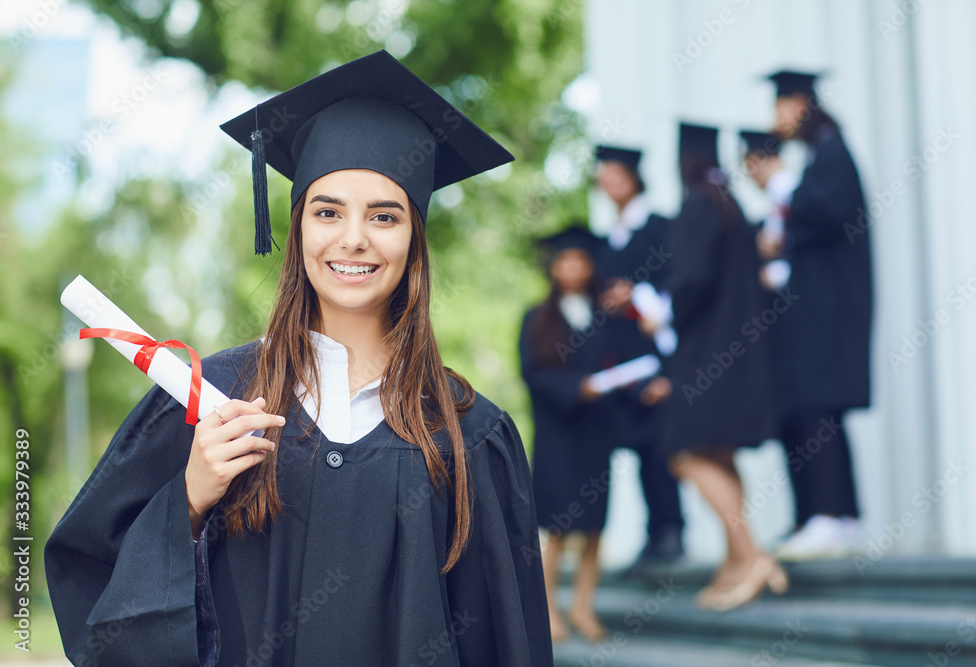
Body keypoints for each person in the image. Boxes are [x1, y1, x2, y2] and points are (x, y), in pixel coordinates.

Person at [45, 51, 553, 666]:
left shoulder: (471, 434)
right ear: (298, 228)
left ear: (414, 238)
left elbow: (505, 639)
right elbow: (93, 591)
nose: (354, 238)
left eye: (384, 216)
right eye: (328, 210)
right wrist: (189, 499)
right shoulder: (210, 398)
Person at [658, 122, 784, 611]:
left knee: (684, 452)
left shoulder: (697, 207)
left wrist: (664, 314)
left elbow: (691, 281)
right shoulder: (732, 209)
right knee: (719, 454)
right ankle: (735, 561)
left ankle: (752, 557)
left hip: (704, 354)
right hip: (739, 355)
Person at [764, 70, 872, 560]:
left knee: (816, 403)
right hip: (820, 305)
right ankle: (838, 517)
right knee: (820, 406)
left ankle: (828, 517)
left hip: (828, 310)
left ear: (802, 104)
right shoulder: (821, 153)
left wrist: (781, 185)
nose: (775, 119)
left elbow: (827, 216)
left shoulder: (832, 153)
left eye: (782, 107)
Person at [520, 226, 616, 643]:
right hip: (558, 433)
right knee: (556, 526)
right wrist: (578, 388)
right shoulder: (536, 318)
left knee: (594, 527)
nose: (573, 268)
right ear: (555, 267)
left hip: (596, 433)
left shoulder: (605, 316)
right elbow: (531, 374)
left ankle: (583, 607)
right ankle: (549, 612)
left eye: (580, 261)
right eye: (565, 261)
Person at [592, 145, 685, 573]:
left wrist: (640, 297)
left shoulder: (661, 228)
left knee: (663, 446)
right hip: (622, 361)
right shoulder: (609, 236)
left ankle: (670, 530)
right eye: (603, 176)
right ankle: (656, 531)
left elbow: (678, 288)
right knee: (642, 449)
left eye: (616, 174)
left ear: (634, 178)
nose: (608, 183)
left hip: (658, 356)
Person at [738, 129, 797, 292]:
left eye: (749, 166)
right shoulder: (780, 192)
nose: (750, 176)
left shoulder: (786, 190)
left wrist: (778, 270)